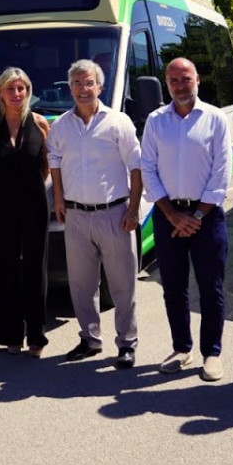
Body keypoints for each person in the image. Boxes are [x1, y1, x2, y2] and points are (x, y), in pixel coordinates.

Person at [48, 59, 143, 369]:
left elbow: (136, 167)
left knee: (122, 284)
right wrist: (59, 199)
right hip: (76, 216)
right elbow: (56, 163)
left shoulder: (118, 122)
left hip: (114, 213)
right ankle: (90, 339)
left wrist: (133, 208)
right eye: (76, 83)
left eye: (88, 83)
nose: (82, 89)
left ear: (99, 87)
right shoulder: (61, 126)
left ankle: (126, 343)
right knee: (81, 284)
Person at [140, 58, 229, 380]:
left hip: (207, 217)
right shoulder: (155, 121)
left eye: (186, 78)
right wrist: (173, 214)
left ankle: (212, 354)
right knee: (173, 287)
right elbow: (147, 168)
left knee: (211, 287)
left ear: (197, 80)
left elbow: (221, 172)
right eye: (174, 79)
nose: (180, 85)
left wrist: (195, 215)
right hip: (168, 215)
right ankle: (182, 348)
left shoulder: (215, 118)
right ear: (167, 83)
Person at [0, 67, 51, 357]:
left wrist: (31, 187)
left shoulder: (40, 123)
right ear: (0, 92)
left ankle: (36, 337)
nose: (17, 94)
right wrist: (7, 190)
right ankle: (10, 336)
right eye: (11, 88)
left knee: (35, 268)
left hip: (34, 200)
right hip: (2, 202)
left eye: (21, 88)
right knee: (4, 267)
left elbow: (47, 164)